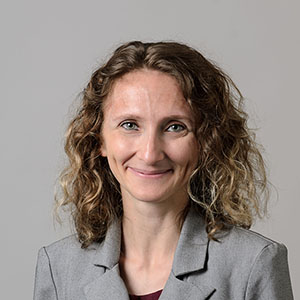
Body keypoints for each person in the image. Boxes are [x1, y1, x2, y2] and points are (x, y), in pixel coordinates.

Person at [33, 41, 294, 300]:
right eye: (129, 125)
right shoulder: (58, 268)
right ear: (99, 138)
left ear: (205, 141)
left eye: (175, 127)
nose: (150, 154)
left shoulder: (254, 264)